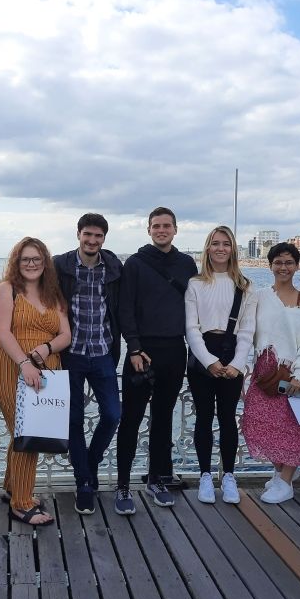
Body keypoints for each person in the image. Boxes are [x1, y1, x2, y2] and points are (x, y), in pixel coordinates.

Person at [115, 207, 198, 514]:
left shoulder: (186, 263)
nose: (161, 230)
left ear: (175, 230)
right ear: (148, 230)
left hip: (175, 350)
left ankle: (155, 478)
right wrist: (134, 348)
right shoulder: (136, 263)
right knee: (131, 420)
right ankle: (123, 485)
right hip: (142, 352)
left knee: (163, 419)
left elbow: (197, 307)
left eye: (167, 226)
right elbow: (126, 308)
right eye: (156, 226)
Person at [0, 237, 71, 526]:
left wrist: (46, 349)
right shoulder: (6, 290)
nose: (32, 264)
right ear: (16, 262)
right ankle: (21, 504)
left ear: (45, 262)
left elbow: (65, 335)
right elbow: (2, 332)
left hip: (45, 369)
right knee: (27, 432)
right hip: (11, 364)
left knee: (23, 430)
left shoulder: (52, 294)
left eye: (37, 259)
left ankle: (13, 486)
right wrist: (24, 363)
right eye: (26, 259)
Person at [53, 213, 122, 515]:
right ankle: (84, 483)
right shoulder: (61, 265)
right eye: (87, 235)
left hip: (103, 352)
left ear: (104, 238)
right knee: (73, 421)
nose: (92, 240)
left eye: (98, 236)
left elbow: (122, 306)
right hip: (71, 354)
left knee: (112, 414)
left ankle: (88, 464)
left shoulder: (114, 267)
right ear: (78, 234)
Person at [241, 243, 300, 504]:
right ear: (270, 265)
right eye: (278, 262)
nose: (283, 267)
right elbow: (246, 332)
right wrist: (243, 369)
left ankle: (285, 480)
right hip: (264, 372)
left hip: (293, 372)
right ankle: (281, 472)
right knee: (258, 423)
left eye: (289, 262)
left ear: (297, 266)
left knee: (294, 426)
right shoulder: (259, 296)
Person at [185, 226, 255, 505]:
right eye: (215, 243)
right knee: (203, 417)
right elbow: (191, 328)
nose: (220, 248)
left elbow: (248, 330)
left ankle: (228, 476)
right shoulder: (195, 283)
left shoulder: (245, 286)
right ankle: (204, 475)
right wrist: (209, 362)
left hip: (232, 352)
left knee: (227, 418)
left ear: (233, 249)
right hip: (204, 354)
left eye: (226, 244)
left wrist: (238, 364)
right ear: (208, 248)